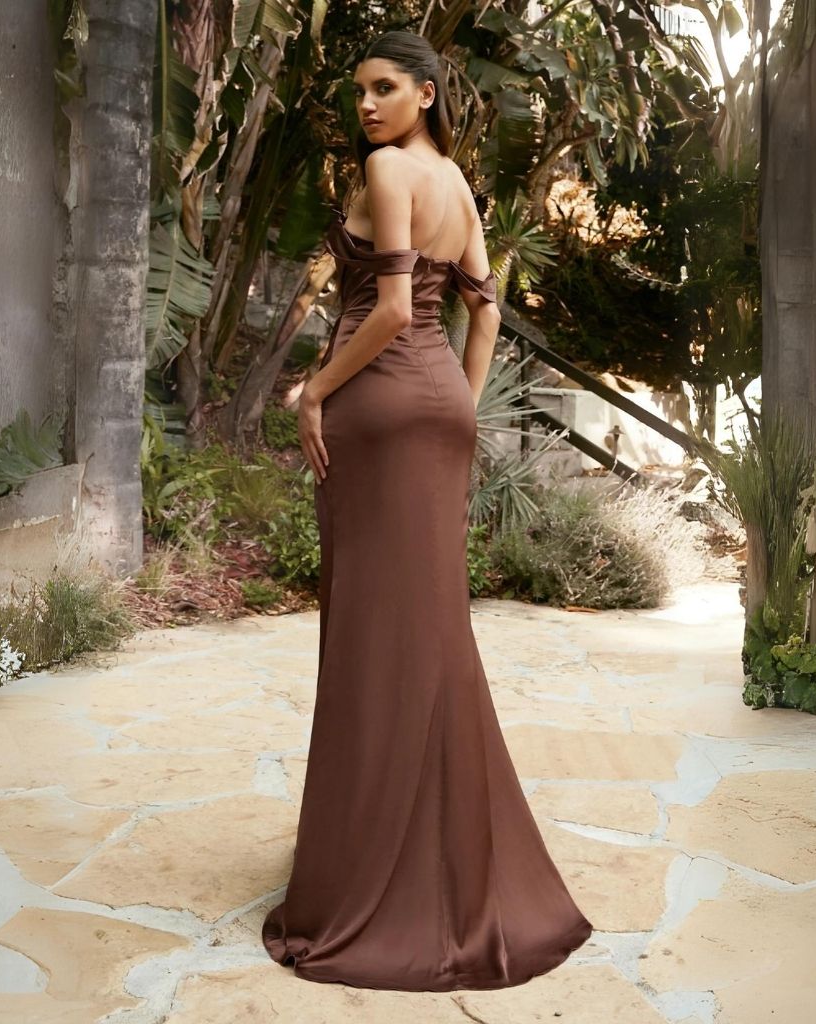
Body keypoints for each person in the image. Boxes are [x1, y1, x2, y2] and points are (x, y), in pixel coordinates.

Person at [261, 29, 594, 991]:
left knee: (375, 635)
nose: (366, 106)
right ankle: (437, 865)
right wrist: (459, 401)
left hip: (383, 406)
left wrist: (318, 389)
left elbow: (395, 309)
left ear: (426, 90)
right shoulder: (460, 187)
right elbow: (480, 307)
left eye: (384, 87)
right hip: (438, 406)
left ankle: (374, 884)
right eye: (359, 92)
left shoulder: (391, 171)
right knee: (429, 634)